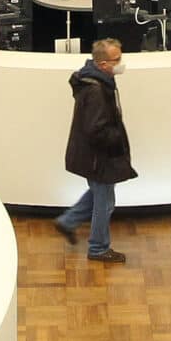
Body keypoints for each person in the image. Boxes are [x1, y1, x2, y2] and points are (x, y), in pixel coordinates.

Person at [56, 39, 135, 263]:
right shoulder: (97, 91)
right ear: (102, 64)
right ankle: (99, 248)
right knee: (105, 202)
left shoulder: (97, 81)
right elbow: (96, 130)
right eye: (116, 60)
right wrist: (116, 139)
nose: (120, 63)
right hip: (99, 158)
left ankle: (68, 221)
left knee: (98, 194)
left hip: (94, 156)